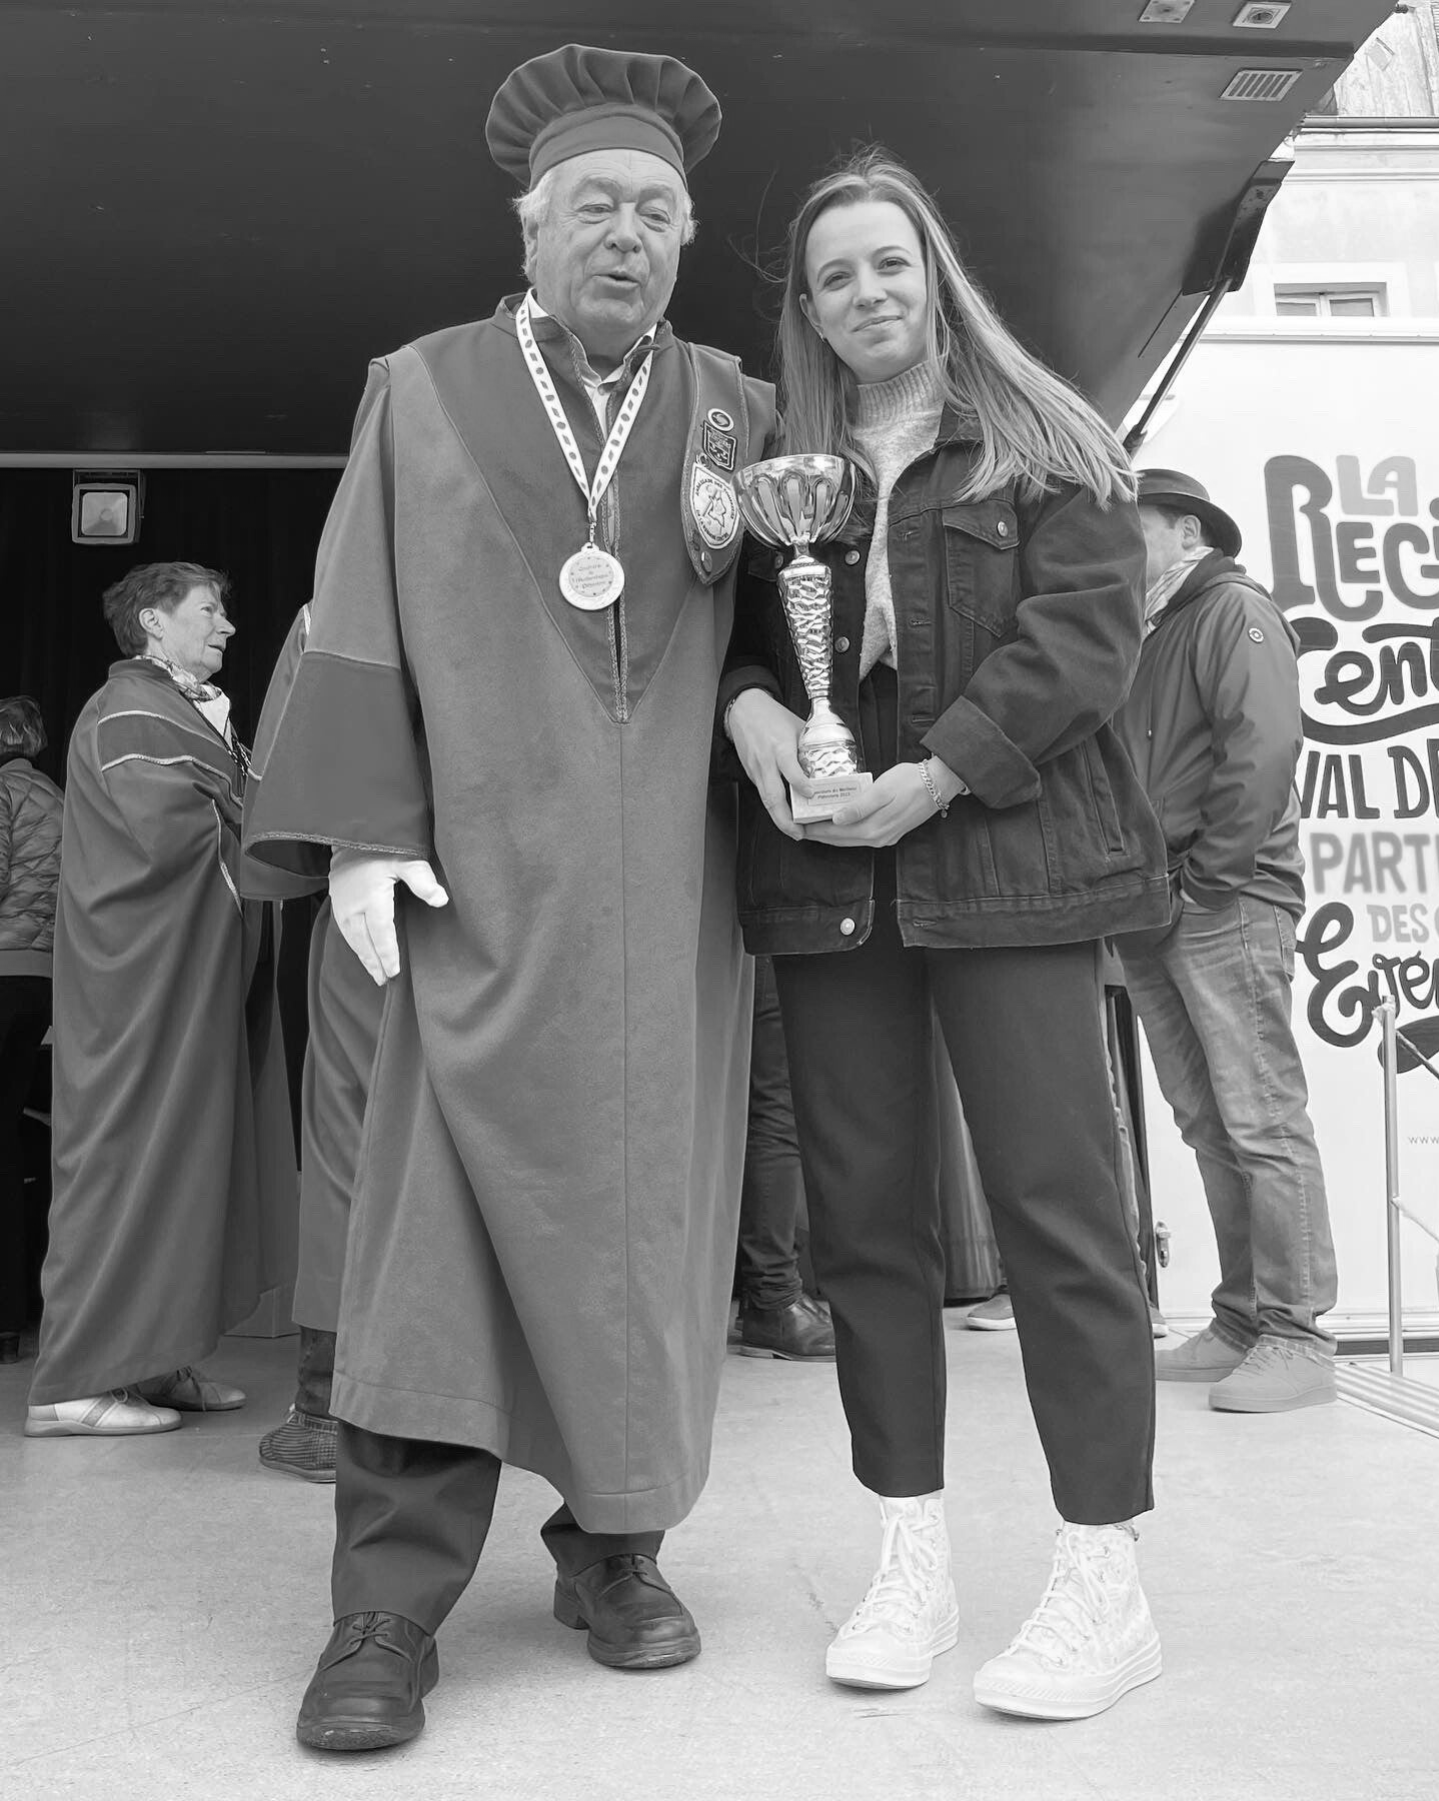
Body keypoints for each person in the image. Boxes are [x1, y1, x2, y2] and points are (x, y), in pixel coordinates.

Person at [242, 44, 776, 1753]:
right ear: (528, 230)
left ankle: (615, 1551)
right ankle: (386, 1606)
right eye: (592, 207)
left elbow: (782, 639)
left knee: (639, 1244)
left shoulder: (738, 410)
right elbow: (354, 603)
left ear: (682, 239)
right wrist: (357, 830)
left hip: (670, 920)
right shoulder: (421, 389)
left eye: (656, 213)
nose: (626, 236)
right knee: (434, 1251)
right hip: (474, 896)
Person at [721, 147, 1171, 1721]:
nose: (864, 295)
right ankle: (906, 1554)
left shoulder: (1045, 440)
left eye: (886, 265)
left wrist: (931, 776)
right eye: (832, 276)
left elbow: (1079, 646)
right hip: (833, 884)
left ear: (934, 276)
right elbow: (735, 642)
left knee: (1058, 1216)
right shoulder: (783, 468)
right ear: (806, 307)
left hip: (1008, 868)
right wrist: (753, 716)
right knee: (859, 1226)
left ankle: (1102, 1574)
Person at [25, 563, 297, 1437]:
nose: (227, 627)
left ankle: (151, 1358)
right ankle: (73, 1384)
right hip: (138, 986)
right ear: (152, 620)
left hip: (186, 979)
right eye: (208, 610)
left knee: (186, 1156)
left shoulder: (185, 711)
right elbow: (161, 836)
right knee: (126, 1159)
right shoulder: (129, 710)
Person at [1115, 469, 1338, 1412]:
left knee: (1259, 1119)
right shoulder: (1150, 623)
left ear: (1186, 531)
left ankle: (1296, 1335)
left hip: (1221, 898)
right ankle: (1244, 1319)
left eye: (1131, 525)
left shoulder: (1230, 609)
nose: (1113, 542)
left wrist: (1205, 880)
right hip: (1156, 902)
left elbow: (1262, 749)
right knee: (1208, 1123)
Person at [246, 609, 387, 1482]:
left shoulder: (335, 606)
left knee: (347, 1149)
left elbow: (285, 788)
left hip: (373, 896)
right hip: (522, 903)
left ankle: (329, 1406)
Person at [0, 697, 63, 1363]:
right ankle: (13, 1315)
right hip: (40, 979)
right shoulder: (60, 799)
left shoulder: (1, 792)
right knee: (11, 1145)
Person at [735, 954, 835, 1359]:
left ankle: (764, 1294)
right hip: (759, 940)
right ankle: (771, 1297)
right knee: (776, 1099)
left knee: (752, 1097)